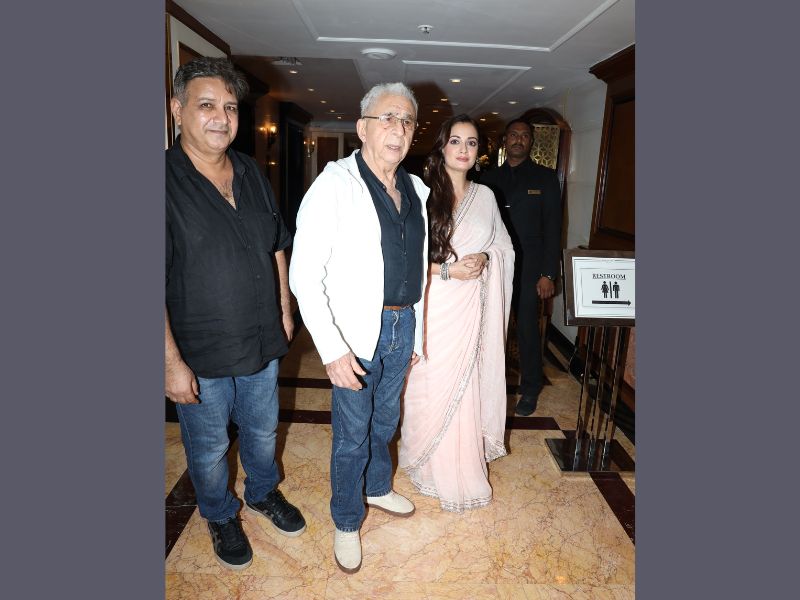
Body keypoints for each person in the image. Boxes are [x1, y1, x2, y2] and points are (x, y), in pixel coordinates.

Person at [165, 57, 306, 571]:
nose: (222, 118)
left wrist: (284, 307)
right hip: (199, 350)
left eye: (230, 107)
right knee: (208, 448)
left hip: (262, 338)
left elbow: (276, 244)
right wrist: (169, 363)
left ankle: (263, 491)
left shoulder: (249, 171)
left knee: (263, 431)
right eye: (207, 105)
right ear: (177, 109)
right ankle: (220, 514)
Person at [289, 83, 429, 574]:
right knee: (352, 433)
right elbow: (304, 275)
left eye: (407, 121)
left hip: (402, 324)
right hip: (354, 332)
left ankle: (377, 487)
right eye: (388, 117)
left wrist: (417, 334)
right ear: (362, 127)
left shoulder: (415, 189)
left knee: (385, 421)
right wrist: (331, 349)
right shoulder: (334, 185)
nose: (399, 129)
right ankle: (347, 521)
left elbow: (419, 267)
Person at [399, 115, 515, 512]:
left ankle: (462, 466)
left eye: (471, 142)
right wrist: (449, 271)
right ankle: (426, 463)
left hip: (472, 308)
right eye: (455, 141)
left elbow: (503, 247)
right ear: (441, 147)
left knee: (467, 386)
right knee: (428, 383)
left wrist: (485, 257)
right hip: (434, 303)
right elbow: (402, 256)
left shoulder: (486, 196)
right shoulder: (419, 193)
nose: (463, 149)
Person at [480, 119, 562, 416]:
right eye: (513, 134)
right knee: (490, 328)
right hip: (494, 265)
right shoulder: (487, 179)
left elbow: (553, 228)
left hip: (530, 268)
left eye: (525, 136)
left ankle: (530, 388)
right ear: (505, 140)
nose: (519, 139)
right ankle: (487, 385)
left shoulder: (546, 178)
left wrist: (548, 273)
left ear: (531, 142)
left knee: (527, 329)